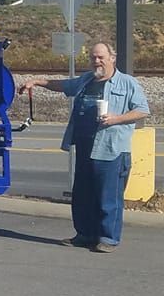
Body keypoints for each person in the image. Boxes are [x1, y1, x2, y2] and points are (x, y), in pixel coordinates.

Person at [18, 42, 150, 253]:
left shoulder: (127, 83)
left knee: (108, 196)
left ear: (112, 58)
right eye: (93, 58)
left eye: (100, 57)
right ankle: (84, 234)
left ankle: (108, 238)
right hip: (84, 146)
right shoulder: (86, 80)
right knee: (82, 194)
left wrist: (117, 119)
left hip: (111, 148)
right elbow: (63, 85)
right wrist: (37, 82)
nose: (96, 61)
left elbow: (142, 111)